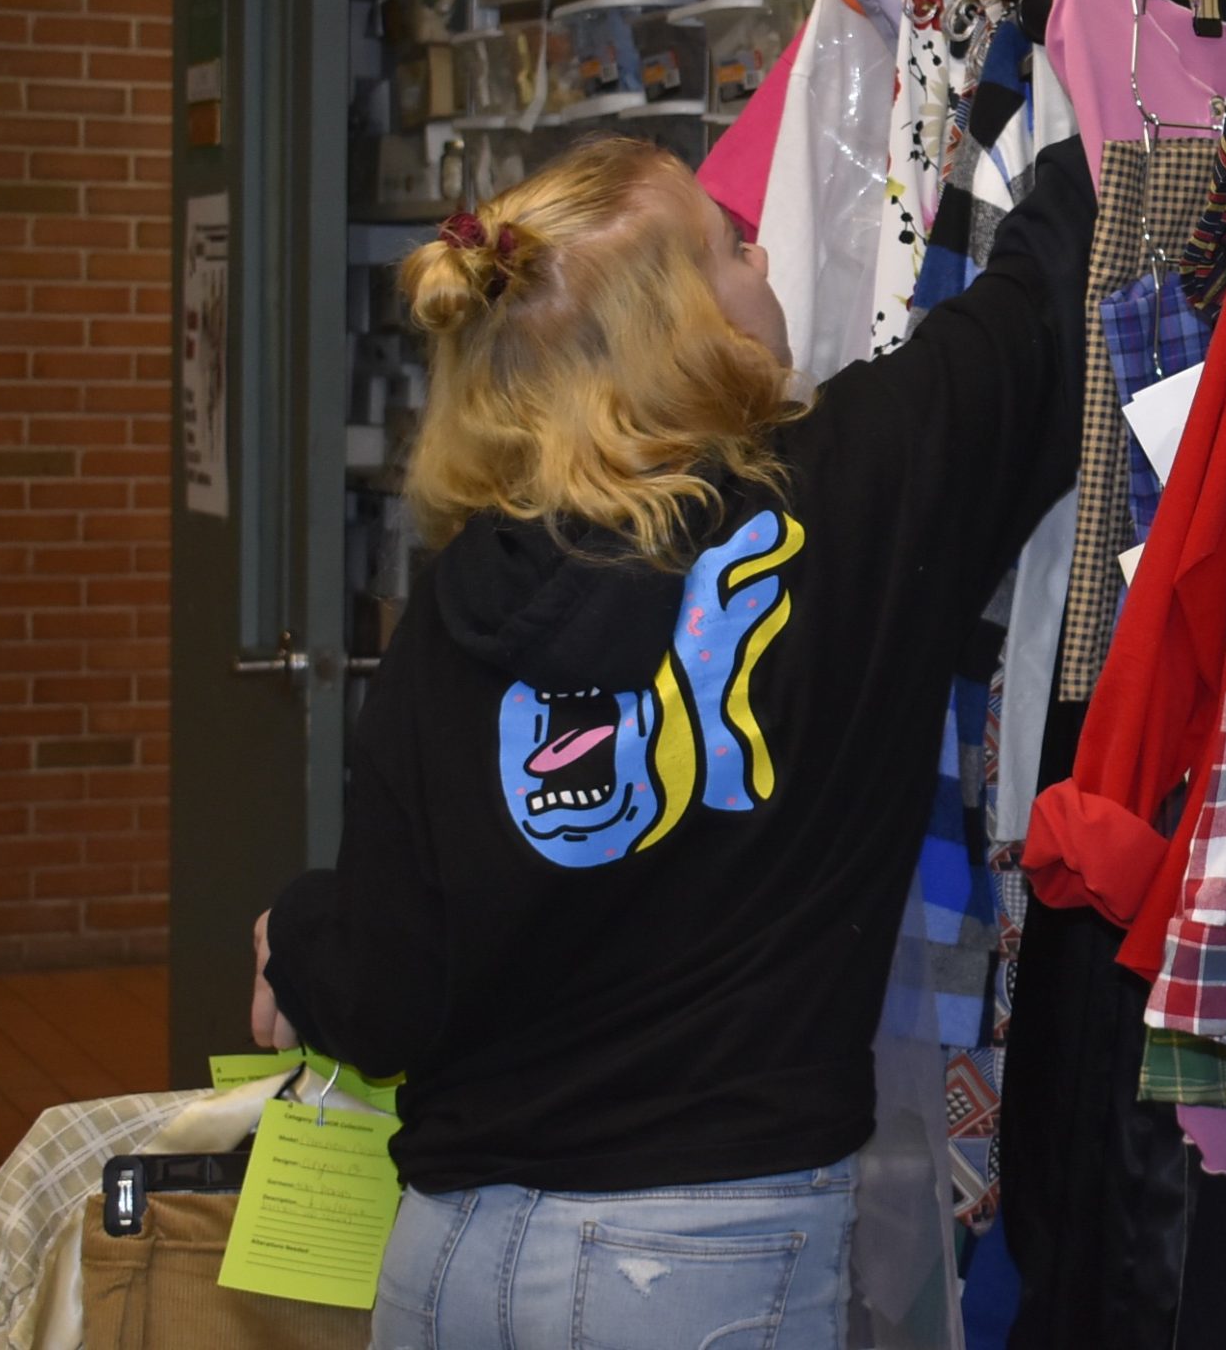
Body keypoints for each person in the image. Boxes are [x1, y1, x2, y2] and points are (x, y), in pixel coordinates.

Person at [249, 134, 1093, 1350]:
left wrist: (300, 931)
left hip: (446, 1261)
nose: (766, 257)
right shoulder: (850, 487)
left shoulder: (454, 606)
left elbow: (385, 995)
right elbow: (1047, 299)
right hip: (700, 1267)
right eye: (730, 246)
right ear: (686, 326)